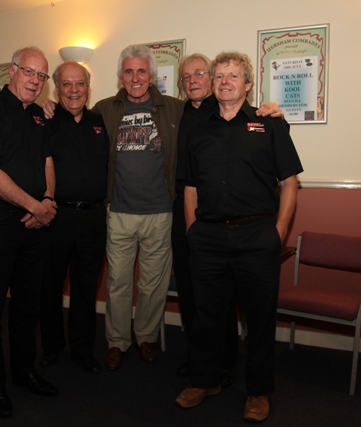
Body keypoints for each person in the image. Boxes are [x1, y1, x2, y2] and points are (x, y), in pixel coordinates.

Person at [175, 51, 303, 423]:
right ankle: (205, 380)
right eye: (219, 76)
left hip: (257, 237)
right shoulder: (199, 129)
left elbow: (290, 182)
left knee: (259, 320)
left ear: (248, 84)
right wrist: (193, 232)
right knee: (207, 316)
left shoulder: (269, 124)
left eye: (233, 76)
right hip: (208, 238)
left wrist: (278, 232)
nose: (225, 82)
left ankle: (258, 391)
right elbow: (189, 186)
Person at [0, 46, 58, 419]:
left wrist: (47, 201)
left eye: (41, 75)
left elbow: (47, 163)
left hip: (35, 226)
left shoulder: (40, 115)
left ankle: (23, 371)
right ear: (12, 70)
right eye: (29, 71)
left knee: (27, 305)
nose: (35, 81)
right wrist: (36, 207)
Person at [91, 45, 184, 370]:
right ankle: (117, 341)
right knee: (117, 282)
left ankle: (145, 337)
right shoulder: (104, 109)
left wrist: (263, 111)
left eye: (141, 71)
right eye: (128, 71)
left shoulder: (175, 109)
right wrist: (48, 106)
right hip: (119, 212)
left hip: (160, 212)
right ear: (121, 75)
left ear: (152, 75)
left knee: (152, 283)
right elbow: (72, 124)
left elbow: (213, 113)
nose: (135, 78)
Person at [38, 61, 109, 375]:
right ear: (56, 88)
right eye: (66, 84)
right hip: (56, 218)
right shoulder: (46, 119)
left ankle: (82, 351)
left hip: (93, 219)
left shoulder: (99, 121)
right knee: (50, 285)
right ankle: (52, 347)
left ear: (88, 87)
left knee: (86, 288)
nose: (74, 90)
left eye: (80, 83)